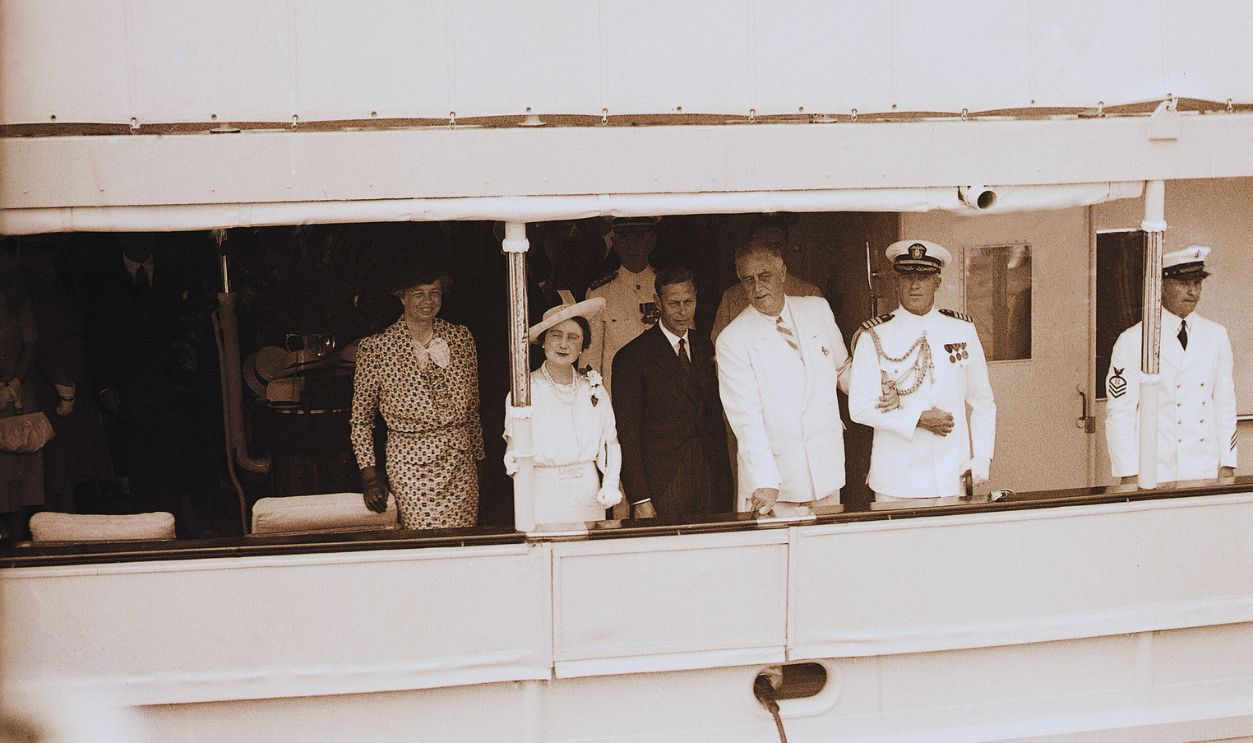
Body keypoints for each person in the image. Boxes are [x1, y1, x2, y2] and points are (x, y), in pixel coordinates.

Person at [848, 239, 996, 504]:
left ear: (937, 282)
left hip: (952, 474)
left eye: (923, 277)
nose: (915, 285)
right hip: (897, 480)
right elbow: (859, 407)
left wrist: (982, 456)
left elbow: (982, 400)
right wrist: (917, 418)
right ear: (896, 282)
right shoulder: (875, 335)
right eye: (907, 277)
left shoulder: (961, 329)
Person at [716, 238, 851, 514]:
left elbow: (842, 369)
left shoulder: (816, 309)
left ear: (783, 274)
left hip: (825, 469)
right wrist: (765, 481)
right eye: (747, 280)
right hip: (776, 483)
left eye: (764, 276)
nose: (757, 287)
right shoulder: (732, 339)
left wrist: (877, 391)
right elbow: (745, 418)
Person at [350, 264, 485, 530]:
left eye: (434, 292)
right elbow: (361, 421)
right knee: (423, 544)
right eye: (418, 293)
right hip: (411, 467)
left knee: (463, 544)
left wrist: (481, 462)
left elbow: (472, 409)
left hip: (461, 465)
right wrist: (370, 478)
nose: (428, 301)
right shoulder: (376, 349)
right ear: (402, 297)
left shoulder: (461, 337)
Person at [1105, 245, 1237, 484]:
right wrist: (1128, 473)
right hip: (1155, 471)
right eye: (1183, 284)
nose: (1192, 292)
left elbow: (1225, 405)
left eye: (1197, 283)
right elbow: (1120, 413)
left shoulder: (1216, 335)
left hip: (1204, 468)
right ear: (1162, 286)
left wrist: (1227, 463)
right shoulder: (1135, 340)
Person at [611, 265, 733, 519]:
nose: (682, 311)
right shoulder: (632, 357)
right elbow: (627, 433)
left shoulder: (704, 346)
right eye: (673, 303)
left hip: (709, 472)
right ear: (658, 302)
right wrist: (640, 497)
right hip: (662, 480)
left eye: (689, 302)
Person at [504, 293, 623, 524]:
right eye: (556, 335)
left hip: (588, 492)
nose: (563, 344)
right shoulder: (525, 390)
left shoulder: (593, 387)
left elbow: (612, 442)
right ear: (544, 341)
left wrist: (610, 483)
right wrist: (512, 461)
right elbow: (514, 447)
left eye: (573, 338)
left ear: (582, 346)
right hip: (544, 492)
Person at [710, 216, 824, 345]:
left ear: (786, 248)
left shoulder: (809, 294)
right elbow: (720, 345)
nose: (768, 252)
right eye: (762, 246)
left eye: (776, 245)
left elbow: (822, 345)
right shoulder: (731, 298)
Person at [585, 217, 660, 391]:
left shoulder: (666, 288)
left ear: (652, 242)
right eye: (625, 238)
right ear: (615, 243)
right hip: (617, 393)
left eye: (640, 237)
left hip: (660, 393)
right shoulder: (600, 293)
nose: (632, 245)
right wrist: (593, 397)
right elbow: (591, 355)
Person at [0, 242, 44, 539]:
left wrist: (14, 381)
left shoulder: (18, 298)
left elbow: (31, 342)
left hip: (17, 395)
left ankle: (16, 534)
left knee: (19, 463)